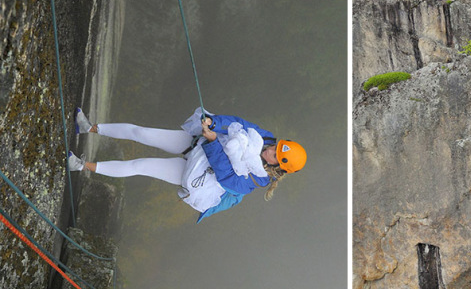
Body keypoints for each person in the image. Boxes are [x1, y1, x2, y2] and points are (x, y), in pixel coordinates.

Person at [68, 108, 307, 223]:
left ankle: (80, 165)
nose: (270, 150)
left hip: (198, 172)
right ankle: (89, 127)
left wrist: (214, 142)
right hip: (198, 144)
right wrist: (214, 123)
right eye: (276, 147)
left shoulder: (257, 180)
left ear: (280, 168)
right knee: (141, 132)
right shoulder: (266, 138)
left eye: (275, 155)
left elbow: (225, 175)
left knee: (139, 165)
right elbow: (238, 123)